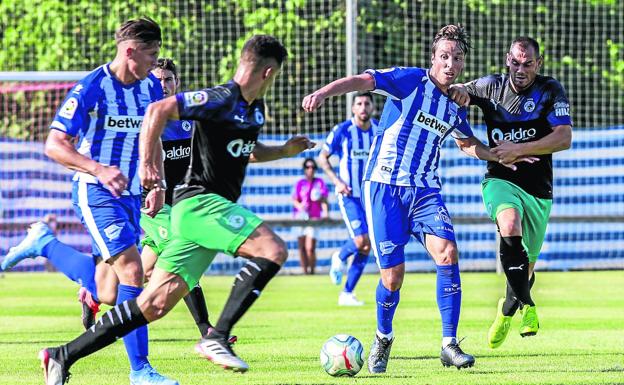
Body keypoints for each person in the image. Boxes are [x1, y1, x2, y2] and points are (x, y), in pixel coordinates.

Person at [39, 34, 314, 384]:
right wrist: (149, 169)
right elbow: (157, 110)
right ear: (268, 72)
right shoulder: (219, 98)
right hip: (199, 204)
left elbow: (248, 149)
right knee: (273, 249)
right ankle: (215, 337)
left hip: (205, 215)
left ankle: (62, 356)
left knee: (151, 305)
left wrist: (285, 151)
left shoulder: (253, 109)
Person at [302, 24, 536, 374]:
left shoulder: (455, 106)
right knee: (392, 278)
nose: (450, 64)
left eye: (457, 58)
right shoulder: (410, 81)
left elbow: (466, 142)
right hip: (384, 187)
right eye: (444, 56)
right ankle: (383, 337)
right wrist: (324, 93)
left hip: (425, 190)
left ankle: (448, 344)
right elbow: (364, 81)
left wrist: (499, 155)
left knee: (448, 252)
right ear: (433, 58)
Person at [2, 59, 227, 344]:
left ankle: (51, 250)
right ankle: (205, 331)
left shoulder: (188, 122)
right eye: (158, 79)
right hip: (147, 204)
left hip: (174, 203)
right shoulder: (140, 114)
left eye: (169, 79)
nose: (163, 84)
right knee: (178, 247)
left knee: (109, 290)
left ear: (177, 83)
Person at [39, 17, 178, 385]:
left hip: (134, 194)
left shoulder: (150, 88)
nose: (154, 62)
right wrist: (99, 169)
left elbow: (155, 139)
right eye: (150, 54)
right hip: (96, 191)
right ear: (130, 50)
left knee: (112, 290)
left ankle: (60, 353)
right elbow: (54, 144)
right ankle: (141, 371)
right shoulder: (92, 87)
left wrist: (158, 183)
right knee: (135, 272)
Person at [450, 37, 572, 349]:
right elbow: (463, 90)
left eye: (527, 64)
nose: (520, 69)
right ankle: (529, 306)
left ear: (538, 63)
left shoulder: (550, 89)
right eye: (515, 62)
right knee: (509, 224)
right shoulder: (491, 86)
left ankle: (506, 311)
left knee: (524, 268)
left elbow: (563, 137)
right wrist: (460, 91)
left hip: (539, 190)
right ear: (507, 59)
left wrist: (519, 149)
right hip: (500, 178)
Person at [317, 91, 377, 306]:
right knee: (361, 240)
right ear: (353, 108)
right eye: (359, 103)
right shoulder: (343, 130)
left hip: (371, 197)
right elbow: (322, 158)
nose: (363, 107)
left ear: (373, 107)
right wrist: (337, 181)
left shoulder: (379, 130)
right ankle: (340, 256)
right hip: (349, 195)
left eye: (366, 103)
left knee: (367, 246)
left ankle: (347, 293)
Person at [292, 157, 329, 274]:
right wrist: (300, 206)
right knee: (301, 248)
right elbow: (294, 199)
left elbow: (324, 199)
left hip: (314, 217)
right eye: (307, 167)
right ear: (304, 169)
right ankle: (305, 273)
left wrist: (326, 213)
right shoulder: (300, 183)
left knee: (310, 248)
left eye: (313, 167)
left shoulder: (320, 183)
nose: (310, 169)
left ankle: (312, 272)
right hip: (300, 217)